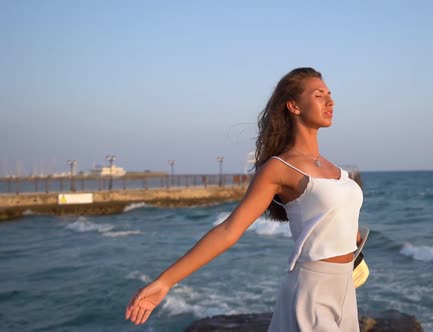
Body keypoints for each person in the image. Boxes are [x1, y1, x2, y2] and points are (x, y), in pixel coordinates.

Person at [125, 67, 364, 331]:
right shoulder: (280, 167)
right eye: (319, 95)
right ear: (294, 106)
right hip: (311, 291)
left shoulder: (336, 170)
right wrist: (165, 282)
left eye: (329, 94)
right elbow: (229, 230)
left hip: (346, 288)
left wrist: (351, 237)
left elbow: (331, 220)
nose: (330, 101)